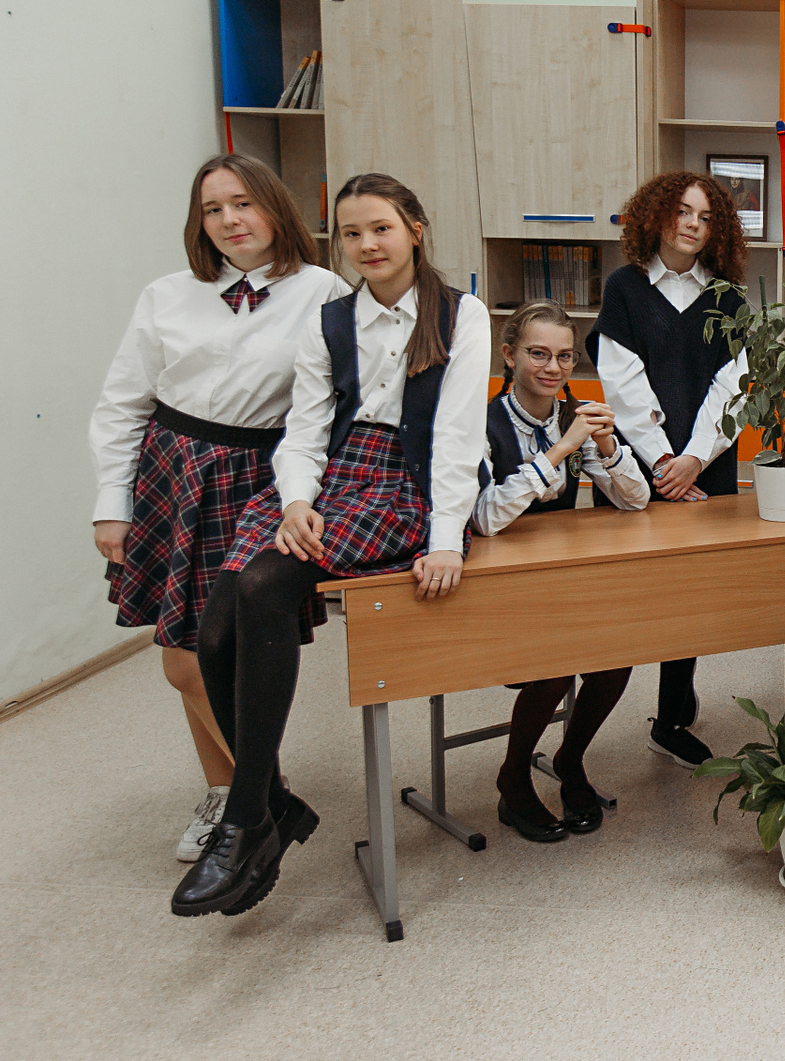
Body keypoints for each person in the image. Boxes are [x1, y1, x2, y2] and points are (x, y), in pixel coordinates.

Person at [173, 173, 489, 918]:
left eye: (381, 228)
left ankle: (248, 818)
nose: (366, 245)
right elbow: (305, 430)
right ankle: (272, 804)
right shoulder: (332, 320)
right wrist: (295, 501)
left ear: (414, 228)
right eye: (351, 233)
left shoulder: (459, 313)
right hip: (330, 477)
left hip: (406, 481)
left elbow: (456, 435)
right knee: (212, 632)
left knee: (263, 587)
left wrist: (447, 538)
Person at [91, 154, 350, 863]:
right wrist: (112, 503)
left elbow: (334, 406)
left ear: (274, 207)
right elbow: (122, 404)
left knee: (220, 652)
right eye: (213, 209)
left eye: (243, 203)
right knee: (181, 657)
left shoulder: (323, 292)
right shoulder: (167, 295)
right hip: (171, 474)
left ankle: (250, 797)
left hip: (258, 479)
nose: (230, 220)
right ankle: (243, 794)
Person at [586, 171, 750, 769]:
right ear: (656, 215)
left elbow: (734, 386)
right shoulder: (625, 288)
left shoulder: (729, 297)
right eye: (682, 211)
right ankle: (593, 723)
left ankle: (671, 716)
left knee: (691, 597)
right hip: (636, 466)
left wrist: (694, 459)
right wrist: (661, 460)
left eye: (705, 217)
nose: (692, 225)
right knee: (634, 596)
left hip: (706, 467)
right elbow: (622, 382)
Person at [475, 301, 653, 841]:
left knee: (617, 653)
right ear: (509, 355)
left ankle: (570, 759)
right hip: (496, 586)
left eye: (564, 356)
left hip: (559, 577)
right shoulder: (481, 421)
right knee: (553, 664)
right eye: (538, 354)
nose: (553, 368)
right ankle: (513, 776)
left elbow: (635, 501)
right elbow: (485, 517)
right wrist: (561, 451)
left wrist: (605, 444)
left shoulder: (572, 416)